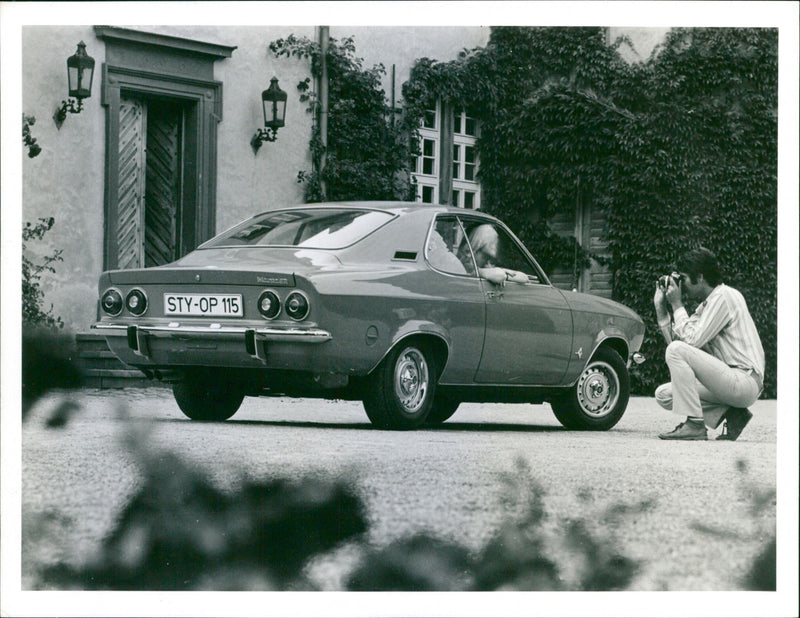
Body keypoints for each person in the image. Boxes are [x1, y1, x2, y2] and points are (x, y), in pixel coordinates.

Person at [653, 247, 765, 441]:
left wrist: (677, 304)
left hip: (743, 380)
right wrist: (661, 309)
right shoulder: (707, 304)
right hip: (727, 381)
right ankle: (731, 413)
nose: (682, 286)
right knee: (664, 394)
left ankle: (695, 425)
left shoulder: (723, 297)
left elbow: (689, 343)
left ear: (701, 277)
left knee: (677, 350)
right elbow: (679, 345)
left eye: (684, 278)